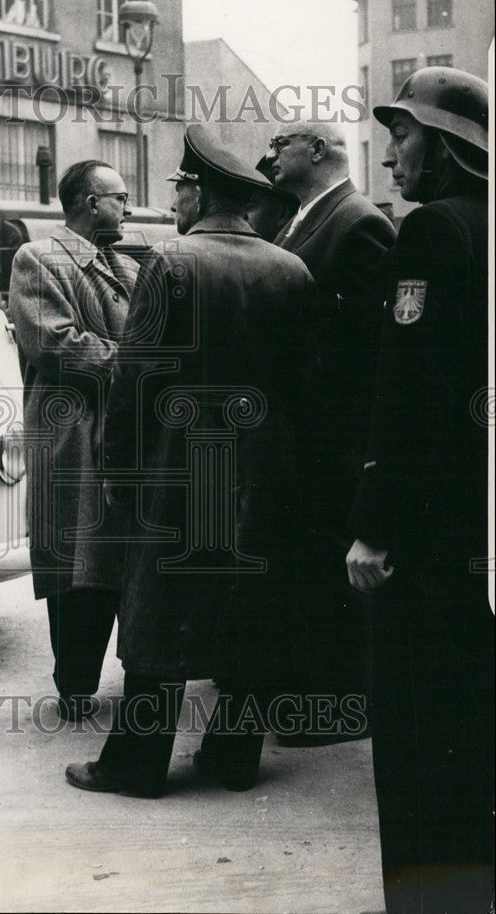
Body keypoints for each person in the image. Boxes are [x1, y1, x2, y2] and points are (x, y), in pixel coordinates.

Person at [65, 124, 316, 797]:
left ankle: (135, 764)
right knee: (251, 607)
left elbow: (135, 381)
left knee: (157, 613)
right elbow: (303, 382)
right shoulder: (289, 268)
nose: (175, 195)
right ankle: (233, 758)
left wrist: (119, 469)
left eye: (180, 184)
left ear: (200, 190)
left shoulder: (170, 264)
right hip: (266, 464)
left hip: (182, 462)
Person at [346, 67, 493, 914]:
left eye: (402, 135)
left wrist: (374, 526)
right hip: (484, 528)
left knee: (418, 735)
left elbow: (409, 395)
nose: (391, 152)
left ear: (441, 148)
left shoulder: (434, 231)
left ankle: (434, 901)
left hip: (432, 540)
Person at [265, 120, 396, 744]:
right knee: (308, 571)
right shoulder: (299, 218)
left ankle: (340, 709)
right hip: (302, 436)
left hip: (332, 439)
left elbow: (366, 353)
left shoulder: (359, 221)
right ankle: (310, 698)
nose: (271, 154)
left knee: (327, 573)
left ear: (316, 150)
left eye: (280, 144)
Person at [8, 160, 139, 721]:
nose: (127, 208)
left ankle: (91, 679)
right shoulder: (37, 258)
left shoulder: (123, 264)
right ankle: (76, 685)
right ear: (89, 202)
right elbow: (54, 344)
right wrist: (138, 363)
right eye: (120, 197)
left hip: (117, 430)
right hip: (71, 436)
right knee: (75, 561)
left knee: (112, 558)